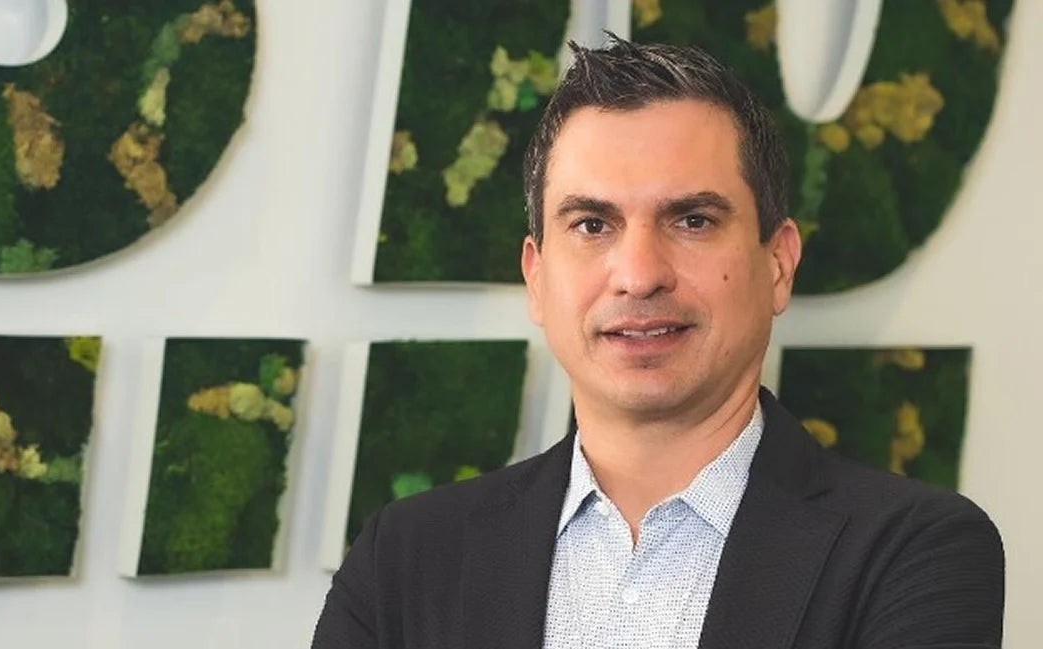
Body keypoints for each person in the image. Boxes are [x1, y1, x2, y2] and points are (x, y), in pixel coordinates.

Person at [311, 36, 1004, 648]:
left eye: (692, 220)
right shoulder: (402, 557)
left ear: (777, 264)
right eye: (592, 225)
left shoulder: (913, 551)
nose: (639, 274)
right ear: (536, 276)